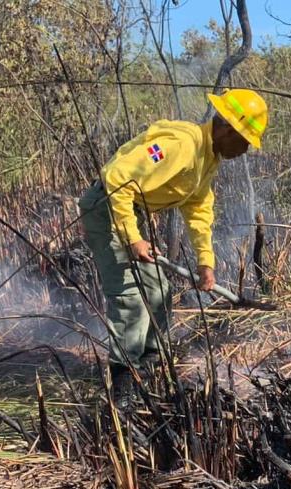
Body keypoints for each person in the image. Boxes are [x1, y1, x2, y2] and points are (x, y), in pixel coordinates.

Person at [79, 89, 268, 405]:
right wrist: (133, 238)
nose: (246, 148)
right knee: (130, 297)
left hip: (129, 212)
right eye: (244, 139)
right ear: (225, 128)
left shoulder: (208, 159)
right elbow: (118, 178)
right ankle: (123, 387)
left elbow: (198, 209)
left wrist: (205, 262)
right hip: (106, 207)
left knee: (158, 292)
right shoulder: (181, 146)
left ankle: (150, 365)